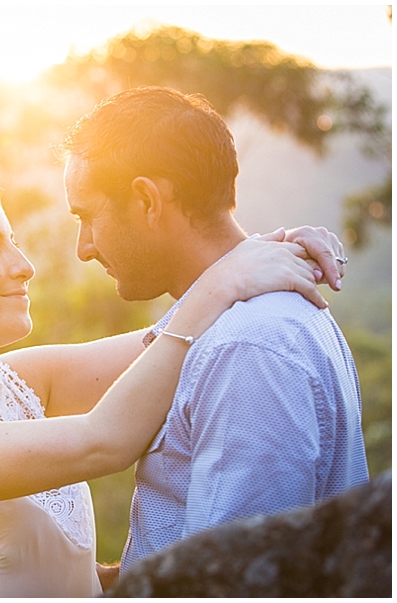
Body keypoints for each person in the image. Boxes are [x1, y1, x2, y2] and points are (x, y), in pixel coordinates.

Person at [0, 169, 344, 597]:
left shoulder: (22, 383)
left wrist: (274, 249)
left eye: (14, 242)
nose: (24, 266)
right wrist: (228, 276)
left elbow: (171, 340)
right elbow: (104, 441)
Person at [59, 86, 369, 580]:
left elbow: (234, 581)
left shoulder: (245, 349)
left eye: (87, 217)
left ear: (147, 200)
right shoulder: (219, 325)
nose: (85, 247)